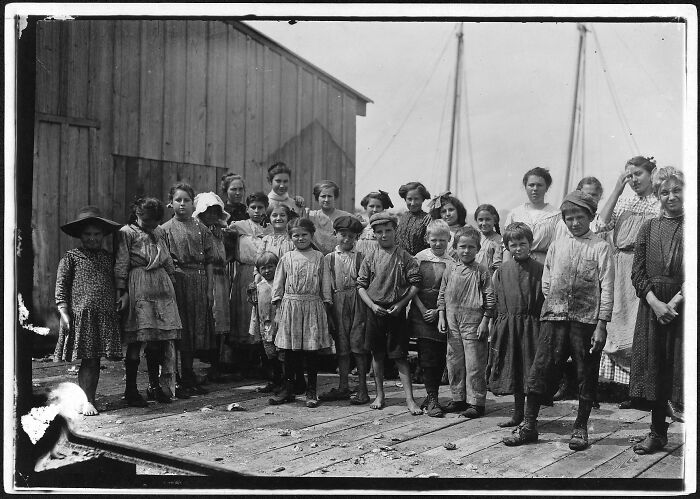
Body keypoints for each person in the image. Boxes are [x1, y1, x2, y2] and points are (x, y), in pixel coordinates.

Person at [503, 190, 613, 451]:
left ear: (591, 217)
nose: (575, 223)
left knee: (585, 374)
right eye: (569, 218)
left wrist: (601, 325)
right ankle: (529, 426)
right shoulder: (557, 245)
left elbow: (607, 287)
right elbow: (547, 282)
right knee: (540, 370)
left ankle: (580, 428)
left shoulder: (601, 247)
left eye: (580, 217)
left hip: (585, 321)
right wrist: (555, 304)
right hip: (554, 318)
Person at [596, 157, 660, 408]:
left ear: (651, 173)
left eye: (638, 174)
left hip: (645, 266)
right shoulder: (623, 201)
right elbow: (601, 225)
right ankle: (624, 388)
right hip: (620, 265)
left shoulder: (659, 202)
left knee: (641, 327)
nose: (633, 179)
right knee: (618, 322)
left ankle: (642, 390)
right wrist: (616, 189)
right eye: (629, 175)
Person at [629, 167, 684, 454]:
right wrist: (654, 302)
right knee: (656, 370)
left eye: (677, 190)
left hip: (682, 307)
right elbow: (637, 272)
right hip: (653, 308)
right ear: (657, 195)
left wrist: (673, 303)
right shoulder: (648, 228)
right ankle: (657, 432)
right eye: (664, 191)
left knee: (682, 369)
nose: (671, 196)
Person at [54, 206, 123, 415]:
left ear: (102, 235)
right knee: (87, 359)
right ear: (80, 235)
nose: (92, 238)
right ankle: (86, 400)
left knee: (95, 359)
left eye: (96, 234)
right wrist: (63, 311)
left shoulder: (108, 258)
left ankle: (90, 398)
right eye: (87, 234)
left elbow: (119, 280)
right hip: (81, 316)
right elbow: (61, 286)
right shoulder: (72, 257)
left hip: (103, 316)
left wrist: (123, 295)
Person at [114, 198, 182, 406]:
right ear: (136, 214)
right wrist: (121, 290)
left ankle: (155, 386)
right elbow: (122, 261)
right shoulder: (127, 233)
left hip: (161, 286)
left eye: (154, 222)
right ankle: (131, 390)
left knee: (157, 340)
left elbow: (167, 257)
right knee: (138, 337)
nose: (151, 226)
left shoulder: (159, 232)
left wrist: (171, 277)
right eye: (147, 221)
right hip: (139, 284)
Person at [357, 212, 423, 414]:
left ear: (395, 231)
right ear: (374, 234)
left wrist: (402, 303)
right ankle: (379, 394)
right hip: (375, 311)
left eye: (388, 231)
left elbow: (415, 284)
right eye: (379, 232)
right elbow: (360, 285)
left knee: (400, 355)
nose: (384, 235)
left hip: (396, 312)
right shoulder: (370, 257)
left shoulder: (405, 257)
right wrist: (372, 306)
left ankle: (410, 399)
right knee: (377, 355)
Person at [269, 218, 333, 408]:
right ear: (290, 237)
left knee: (311, 352)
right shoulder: (286, 258)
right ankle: (288, 389)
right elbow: (278, 285)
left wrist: (326, 304)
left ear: (311, 235)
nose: (300, 238)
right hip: (290, 306)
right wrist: (278, 309)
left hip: (312, 306)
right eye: (296, 235)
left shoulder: (319, 257)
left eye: (304, 234)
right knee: (289, 352)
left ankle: (311, 391)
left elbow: (326, 284)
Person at [488, 222, 544, 427]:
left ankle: (531, 417)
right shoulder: (502, 270)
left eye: (522, 243)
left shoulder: (539, 269)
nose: (518, 248)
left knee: (531, 371)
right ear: (507, 247)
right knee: (515, 369)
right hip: (510, 326)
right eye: (513, 245)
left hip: (532, 326)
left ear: (530, 244)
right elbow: (497, 297)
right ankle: (517, 414)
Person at [160, 183, 215, 397]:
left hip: (199, 281)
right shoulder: (164, 230)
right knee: (179, 329)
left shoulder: (202, 229)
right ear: (171, 203)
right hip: (176, 282)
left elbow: (210, 260)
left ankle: (189, 374)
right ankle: (175, 378)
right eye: (178, 200)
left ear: (193, 204)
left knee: (194, 328)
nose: (182, 204)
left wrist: (209, 288)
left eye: (187, 200)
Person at [438, 226, 496, 419]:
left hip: (474, 322)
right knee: (454, 361)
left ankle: (476, 402)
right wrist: (441, 316)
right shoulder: (450, 269)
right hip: (452, 321)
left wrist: (485, 321)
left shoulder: (482, 271)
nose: (466, 250)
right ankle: (458, 398)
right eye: (462, 246)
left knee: (474, 364)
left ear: (478, 248)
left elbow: (490, 298)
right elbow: (442, 294)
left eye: (471, 247)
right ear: (455, 247)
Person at [319, 215, 370, 405]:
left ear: (356, 237)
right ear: (335, 234)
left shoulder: (362, 257)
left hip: (358, 302)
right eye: (343, 235)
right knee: (341, 347)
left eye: (351, 236)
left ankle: (363, 389)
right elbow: (326, 286)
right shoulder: (329, 259)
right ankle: (343, 386)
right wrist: (328, 307)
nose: (347, 239)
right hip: (337, 302)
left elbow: (366, 283)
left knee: (358, 345)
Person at [410, 220, 454, 417]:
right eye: (434, 240)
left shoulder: (452, 262)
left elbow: (450, 292)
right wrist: (421, 308)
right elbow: (412, 286)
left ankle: (432, 395)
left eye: (442, 240)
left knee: (438, 355)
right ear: (427, 239)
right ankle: (432, 397)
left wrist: (437, 310)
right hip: (420, 313)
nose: (437, 244)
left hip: (440, 314)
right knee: (425, 355)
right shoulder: (418, 258)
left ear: (449, 240)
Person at [228, 192, 270, 380]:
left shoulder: (269, 230)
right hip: (244, 273)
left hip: (264, 274)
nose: (256, 211)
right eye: (253, 207)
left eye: (260, 207)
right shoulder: (238, 226)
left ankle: (261, 362)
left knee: (262, 315)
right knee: (244, 316)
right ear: (247, 209)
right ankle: (242, 364)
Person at [193, 192, 232, 383]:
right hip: (205, 278)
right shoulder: (197, 231)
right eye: (207, 211)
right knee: (206, 318)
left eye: (215, 210)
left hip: (221, 279)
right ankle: (199, 365)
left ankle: (217, 365)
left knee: (221, 322)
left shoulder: (220, 232)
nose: (211, 214)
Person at [503, 167, 559, 263]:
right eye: (531, 185)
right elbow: (506, 246)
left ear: (547, 188)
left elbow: (558, 248)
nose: (535, 189)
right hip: (517, 263)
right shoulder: (514, 214)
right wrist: (506, 270)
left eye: (539, 185)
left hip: (544, 264)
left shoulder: (556, 215)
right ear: (525, 187)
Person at [248, 252, 283, 394]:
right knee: (269, 354)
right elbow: (254, 305)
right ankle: (273, 380)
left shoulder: (279, 283)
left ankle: (284, 381)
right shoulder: (259, 285)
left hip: (279, 324)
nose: (267, 271)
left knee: (281, 354)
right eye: (263, 268)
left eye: (271, 267)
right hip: (265, 324)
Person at [307, 180, 354, 255]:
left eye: (329, 196)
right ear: (317, 198)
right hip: (315, 258)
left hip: (339, 258)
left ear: (335, 197)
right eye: (323, 196)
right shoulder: (310, 216)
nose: (326, 199)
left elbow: (363, 225)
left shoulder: (345, 216)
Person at [396, 181, 432, 256]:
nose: (413, 203)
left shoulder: (427, 219)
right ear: (405, 199)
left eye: (416, 199)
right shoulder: (402, 217)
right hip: (399, 260)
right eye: (409, 199)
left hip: (419, 261)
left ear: (422, 199)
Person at [356, 190, 394, 256]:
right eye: (371, 206)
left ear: (383, 208)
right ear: (365, 207)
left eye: (378, 206)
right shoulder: (360, 228)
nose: (375, 210)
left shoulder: (388, 228)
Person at [473, 204, 503, 275]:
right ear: (476, 221)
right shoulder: (472, 236)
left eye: (488, 219)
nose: (484, 223)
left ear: (495, 220)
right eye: (480, 220)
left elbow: (497, 267)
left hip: (488, 281)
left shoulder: (499, 241)